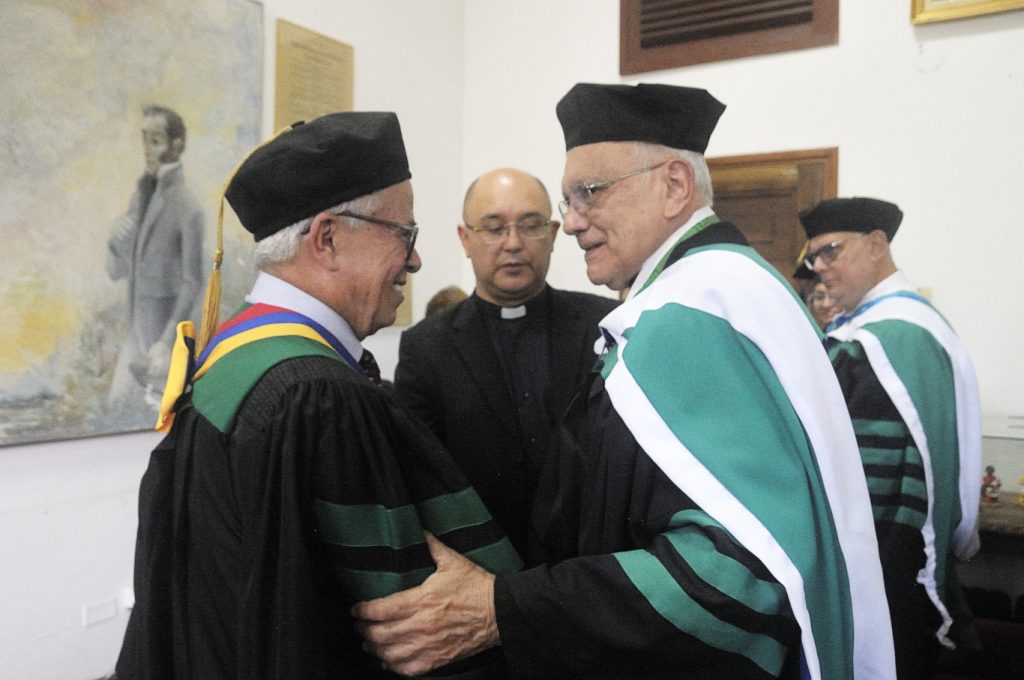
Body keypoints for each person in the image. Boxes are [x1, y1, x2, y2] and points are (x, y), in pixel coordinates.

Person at [354, 84, 895, 680]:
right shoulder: (729, 286)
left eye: (589, 192)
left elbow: (736, 573)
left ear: (674, 186)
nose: (573, 222)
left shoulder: (689, 314)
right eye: (569, 200)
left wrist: (504, 608)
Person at [115, 112, 521, 680]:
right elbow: (421, 636)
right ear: (327, 239)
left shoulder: (226, 357)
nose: (415, 260)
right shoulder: (319, 398)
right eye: (403, 234)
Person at [394, 167, 618, 563]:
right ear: (466, 239)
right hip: (482, 568)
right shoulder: (426, 347)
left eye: (530, 226)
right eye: (494, 228)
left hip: (589, 565)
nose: (513, 244)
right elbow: (421, 482)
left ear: (553, 234)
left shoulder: (605, 326)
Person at [799, 196, 982, 679]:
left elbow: (870, 485)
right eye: (814, 258)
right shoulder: (917, 325)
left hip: (886, 565)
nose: (820, 268)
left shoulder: (881, 341)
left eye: (831, 251)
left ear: (877, 245)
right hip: (908, 558)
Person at [106, 105, 206, 408]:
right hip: (134, 336)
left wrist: (165, 342)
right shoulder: (140, 196)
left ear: (177, 145)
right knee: (117, 408)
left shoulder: (188, 206)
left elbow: (192, 283)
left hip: (161, 346)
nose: (147, 149)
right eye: (144, 139)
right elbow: (116, 272)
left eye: (156, 141)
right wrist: (115, 243)